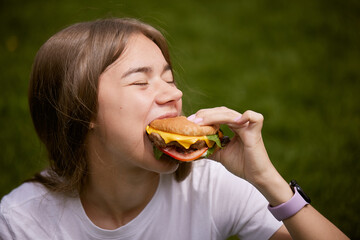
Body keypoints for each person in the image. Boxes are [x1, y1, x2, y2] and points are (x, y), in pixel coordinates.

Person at [0, 18, 348, 240]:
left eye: (168, 77)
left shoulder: (208, 186)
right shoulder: (21, 224)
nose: (175, 93)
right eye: (141, 82)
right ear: (82, 108)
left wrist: (267, 180)